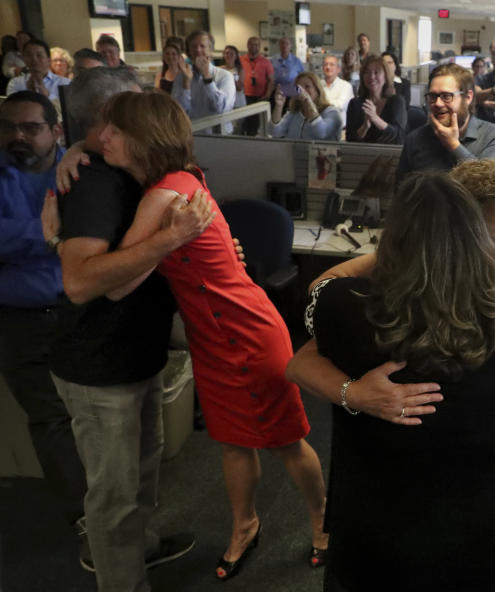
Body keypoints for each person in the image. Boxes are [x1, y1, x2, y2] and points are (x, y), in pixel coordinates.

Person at [64, 89, 330, 581]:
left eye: (116, 131)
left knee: (285, 439)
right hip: (211, 337)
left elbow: (118, 284)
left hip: (246, 331)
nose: (104, 138)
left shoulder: (167, 192)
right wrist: (73, 152)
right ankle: (244, 527)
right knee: (233, 442)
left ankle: (320, 521)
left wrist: (55, 231)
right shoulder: (172, 182)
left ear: (145, 138)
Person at [286, 171, 495, 591]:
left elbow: (321, 285)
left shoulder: (350, 310)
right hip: (488, 528)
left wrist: (402, 249)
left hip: (382, 529)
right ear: (475, 238)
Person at [44, 67, 199, 592]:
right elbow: (84, 283)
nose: (108, 134)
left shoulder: (139, 173)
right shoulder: (93, 180)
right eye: (112, 120)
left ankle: (140, 551)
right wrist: (170, 240)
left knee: (142, 477)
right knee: (113, 497)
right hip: (99, 368)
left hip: (140, 355)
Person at [0, 91, 89, 567]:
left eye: (30, 127)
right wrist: (52, 234)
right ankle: (86, 521)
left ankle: (115, 512)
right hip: (21, 321)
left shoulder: (79, 170)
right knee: (51, 421)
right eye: (9, 126)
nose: (17, 135)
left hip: (81, 310)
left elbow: (96, 234)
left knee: (99, 415)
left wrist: (30, 237)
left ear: (55, 132)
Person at [396, 63, 495, 178]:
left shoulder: (492, 136)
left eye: (446, 96)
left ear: (468, 97)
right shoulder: (415, 139)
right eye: (433, 96)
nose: (437, 103)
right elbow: (401, 191)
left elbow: (492, 188)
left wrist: (453, 145)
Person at [172, 30, 236, 134]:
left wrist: (207, 77)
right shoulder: (182, 77)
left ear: (211, 51)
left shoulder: (225, 76)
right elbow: (179, 112)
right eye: (193, 46)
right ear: (189, 51)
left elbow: (221, 109)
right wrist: (186, 83)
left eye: (202, 46)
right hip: (192, 135)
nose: (198, 50)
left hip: (220, 136)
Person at [345, 54, 406, 145]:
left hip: (390, 156)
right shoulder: (355, 104)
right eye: (367, 72)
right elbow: (350, 141)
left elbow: (398, 137)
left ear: (385, 77)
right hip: (362, 156)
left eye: (376, 72)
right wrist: (365, 127)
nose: (371, 77)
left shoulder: (396, 101)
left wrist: (375, 118)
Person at [270, 71, 342, 140]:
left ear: (317, 90)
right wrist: (279, 106)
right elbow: (274, 132)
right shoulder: (294, 114)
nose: (302, 90)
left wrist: (308, 102)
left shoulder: (332, 113)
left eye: (307, 86)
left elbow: (321, 133)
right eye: (298, 88)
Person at [5, 39, 71, 100]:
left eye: (39, 55)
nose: (34, 59)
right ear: (24, 59)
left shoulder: (65, 83)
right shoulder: (16, 83)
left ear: (48, 60)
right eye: (29, 55)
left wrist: (47, 94)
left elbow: (66, 110)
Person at [239, 36, 274, 136]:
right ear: (247, 45)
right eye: (251, 44)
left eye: (256, 45)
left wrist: (267, 95)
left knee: (254, 125)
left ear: (259, 47)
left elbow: (271, 80)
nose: (254, 46)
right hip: (244, 96)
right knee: (242, 123)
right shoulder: (241, 60)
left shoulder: (266, 62)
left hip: (259, 97)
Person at [320, 54, 354, 126]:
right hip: (320, 129)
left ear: (338, 69)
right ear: (322, 68)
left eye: (332, 65)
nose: (328, 67)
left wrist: (320, 102)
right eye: (325, 64)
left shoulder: (346, 86)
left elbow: (339, 105)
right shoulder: (317, 85)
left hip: (339, 131)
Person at [221, 44, 247, 113]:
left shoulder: (240, 69)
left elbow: (240, 87)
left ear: (236, 57)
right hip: (225, 104)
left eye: (231, 54)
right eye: (226, 53)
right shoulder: (220, 69)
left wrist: (228, 78)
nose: (228, 55)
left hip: (238, 104)